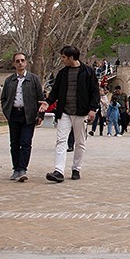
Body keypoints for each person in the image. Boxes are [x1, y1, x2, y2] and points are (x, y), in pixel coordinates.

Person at [39, 45, 101, 182]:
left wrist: (92, 109)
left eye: (63, 57)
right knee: (61, 141)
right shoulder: (62, 73)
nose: (62, 60)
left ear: (71, 57)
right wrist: (47, 102)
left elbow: (95, 92)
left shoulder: (88, 72)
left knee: (80, 142)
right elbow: (55, 91)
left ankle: (76, 168)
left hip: (81, 112)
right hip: (65, 112)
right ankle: (58, 171)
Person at [0, 52, 45, 182]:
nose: (20, 63)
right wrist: (6, 111)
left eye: (22, 60)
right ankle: (16, 169)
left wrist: (40, 115)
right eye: (17, 61)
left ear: (26, 62)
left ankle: (22, 169)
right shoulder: (9, 80)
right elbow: (3, 98)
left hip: (28, 115)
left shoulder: (34, 79)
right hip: (14, 115)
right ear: (14, 63)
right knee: (14, 143)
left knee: (25, 142)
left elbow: (40, 99)